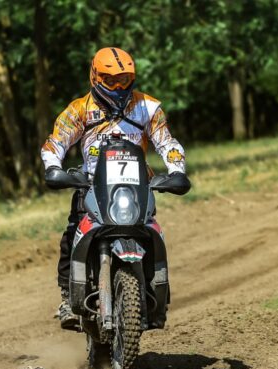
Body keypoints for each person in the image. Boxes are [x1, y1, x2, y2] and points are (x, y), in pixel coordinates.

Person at [41, 47, 189, 329]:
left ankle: (156, 294)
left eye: (124, 80)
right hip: (91, 185)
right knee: (71, 234)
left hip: (136, 187)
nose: (119, 87)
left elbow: (167, 142)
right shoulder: (79, 109)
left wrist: (177, 171)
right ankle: (67, 298)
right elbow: (55, 142)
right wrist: (53, 168)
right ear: (95, 77)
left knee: (150, 231)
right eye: (110, 80)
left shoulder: (148, 107)